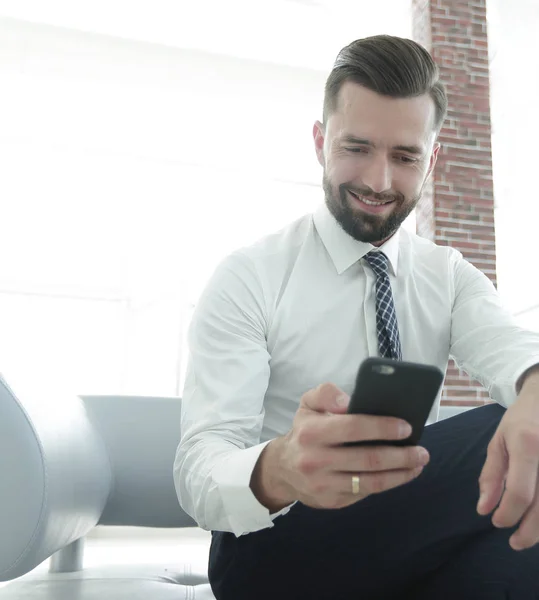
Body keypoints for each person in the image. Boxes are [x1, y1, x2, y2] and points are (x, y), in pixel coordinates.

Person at [174, 34, 539, 599]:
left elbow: (508, 346)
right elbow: (199, 468)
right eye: (357, 148)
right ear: (321, 142)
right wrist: (283, 467)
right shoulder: (251, 276)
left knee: (519, 538)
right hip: (272, 549)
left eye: (404, 156)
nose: (378, 181)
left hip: (402, 537)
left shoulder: (445, 273)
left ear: (432, 159)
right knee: (502, 430)